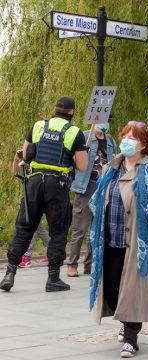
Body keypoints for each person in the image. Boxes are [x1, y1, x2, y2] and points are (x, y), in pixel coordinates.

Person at [89, 121, 148, 358]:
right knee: (113, 290)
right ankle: (124, 323)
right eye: (125, 135)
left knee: (134, 291)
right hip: (111, 239)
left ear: (144, 143)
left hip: (139, 242)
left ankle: (131, 338)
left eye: (133, 137)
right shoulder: (112, 167)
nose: (127, 140)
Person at [0, 96, 88, 293]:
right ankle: (53, 278)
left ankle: (10, 273)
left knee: (23, 228)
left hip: (33, 182)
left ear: (55, 109)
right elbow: (82, 166)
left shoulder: (38, 125)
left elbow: (26, 153)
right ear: (72, 112)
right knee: (58, 231)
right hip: (57, 185)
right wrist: (73, 156)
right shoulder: (75, 133)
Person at [67, 121, 117, 277]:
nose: (105, 123)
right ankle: (72, 264)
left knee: (97, 228)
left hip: (104, 186)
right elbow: (73, 159)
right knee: (80, 227)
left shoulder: (110, 141)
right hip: (86, 186)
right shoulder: (84, 136)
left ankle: (89, 264)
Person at [11, 149, 49, 268]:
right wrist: (16, 159)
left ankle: (27, 257)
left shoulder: (39, 162)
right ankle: (54, 250)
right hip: (30, 196)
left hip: (39, 195)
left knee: (32, 225)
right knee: (38, 227)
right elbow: (15, 172)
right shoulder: (26, 163)